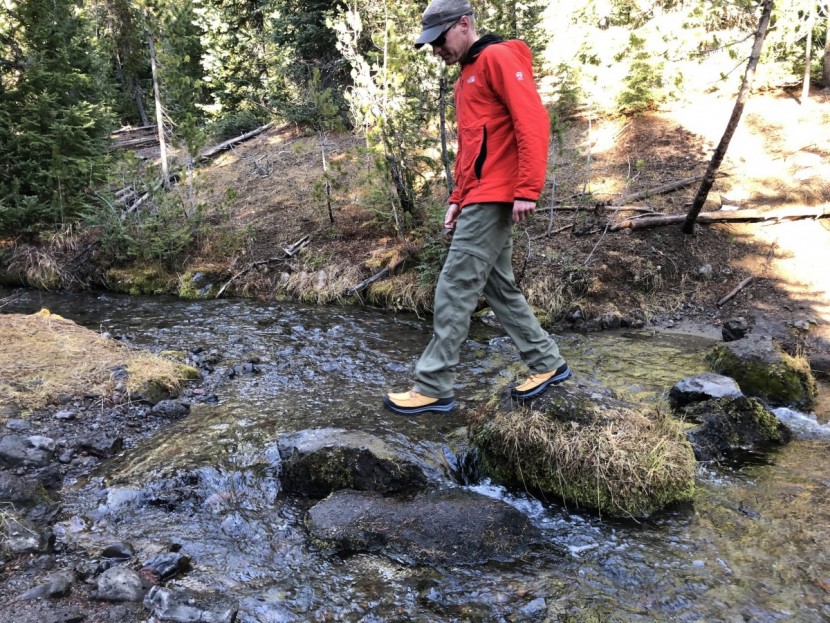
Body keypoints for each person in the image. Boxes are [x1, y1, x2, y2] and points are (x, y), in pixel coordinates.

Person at [383, 0, 570, 415]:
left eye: (439, 40)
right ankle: (547, 362)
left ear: (463, 24)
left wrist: (527, 188)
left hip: (498, 195)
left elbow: (532, 121)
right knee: (497, 285)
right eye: (429, 44)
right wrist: (456, 198)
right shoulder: (466, 75)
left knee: (454, 285)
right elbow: (472, 147)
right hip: (479, 196)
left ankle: (433, 385)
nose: (435, 50)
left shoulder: (499, 57)